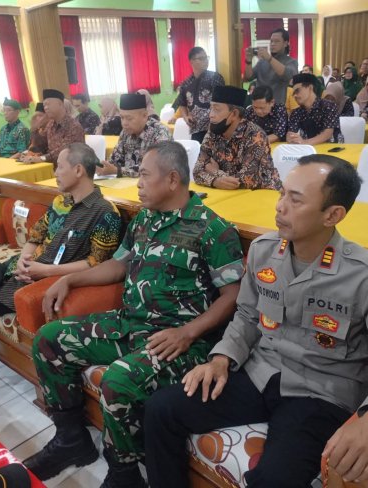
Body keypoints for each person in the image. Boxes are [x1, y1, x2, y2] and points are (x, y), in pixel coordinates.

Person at [22, 140, 245, 486]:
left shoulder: (212, 228)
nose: (137, 184)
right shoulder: (144, 219)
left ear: (172, 179)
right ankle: (71, 441)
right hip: (131, 324)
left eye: (143, 175)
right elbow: (117, 266)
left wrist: (188, 333)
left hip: (179, 340)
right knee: (48, 340)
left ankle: (124, 474)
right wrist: (69, 279)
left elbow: (233, 296)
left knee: (118, 381)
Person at [144, 154, 368, 488]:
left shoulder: (360, 274)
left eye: (295, 200)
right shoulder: (264, 251)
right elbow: (248, 315)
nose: (280, 206)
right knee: (161, 409)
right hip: (259, 373)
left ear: (332, 215)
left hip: (319, 392)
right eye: (281, 193)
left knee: (273, 479)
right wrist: (221, 359)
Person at [0, 143, 121, 399]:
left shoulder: (105, 213)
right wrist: (25, 258)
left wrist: (43, 271)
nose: (55, 172)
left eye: (59, 167)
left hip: (35, 281)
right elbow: (36, 234)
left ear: (79, 170)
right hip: (16, 266)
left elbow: (96, 263)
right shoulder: (60, 201)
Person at [193, 85, 281, 191]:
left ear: (234, 114)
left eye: (216, 109)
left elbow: (246, 181)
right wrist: (215, 181)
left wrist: (214, 172)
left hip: (262, 193)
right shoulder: (213, 133)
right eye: (211, 108)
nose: (211, 115)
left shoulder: (255, 135)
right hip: (227, 193)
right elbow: (197, 171)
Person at [96, 93, 173, 178]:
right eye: (122, 118)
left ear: (144, 116)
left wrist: (117, 170)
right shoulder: (125, 132)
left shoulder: (160, 132)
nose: (124, 123)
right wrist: (103, 167)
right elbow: (114, 160)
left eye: (129, 119)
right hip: (127, 183)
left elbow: (155, 168)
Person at [23, 89, 84, 169]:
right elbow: (40, 145)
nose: (45, 108)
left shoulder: (73, 126)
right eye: (44, 105)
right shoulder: (51, 124)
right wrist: (34, 130)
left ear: (59, 104)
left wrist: (42, 158)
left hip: (71, 169)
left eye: (48, 104)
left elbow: (65, 151)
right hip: (52, 167)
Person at [177, 46, 225, 144]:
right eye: (202, 58)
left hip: (214, 127)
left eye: (206, 58)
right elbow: (182, 104)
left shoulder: (215, 78)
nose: (205, 61)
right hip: (196, 129)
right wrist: (186, 118)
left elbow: (221, 102)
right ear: (192, 62)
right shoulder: (185, 84)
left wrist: (214, 122)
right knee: (197, 152)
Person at [244, 28, 298, 105]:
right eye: (271, 41)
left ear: (285, 43)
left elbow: (287, 74)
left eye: (276, 41)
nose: (272, 44)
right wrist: (248, 61)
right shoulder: (262, 61)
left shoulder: (291, 61)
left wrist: (269, 58)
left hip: (276, 106)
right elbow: (248, 77)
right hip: (259, 105)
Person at [287, 73, 344, 145]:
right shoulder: (296, 112)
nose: (295, 95)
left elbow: (328, 133)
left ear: (310, 88)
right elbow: (290, 132)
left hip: (330, 147)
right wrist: (292, 138)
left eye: (298, 91)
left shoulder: (328, 106)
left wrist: (305, 142)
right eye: (294, 93)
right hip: (307, 149)